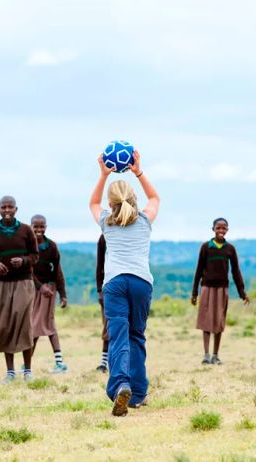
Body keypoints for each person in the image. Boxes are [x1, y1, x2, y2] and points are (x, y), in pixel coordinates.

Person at [89, 150, 160, 416]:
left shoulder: (106, 221)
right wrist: (138, 171)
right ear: (133, 199)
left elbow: (93, 203)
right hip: (141, 283)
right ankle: (138, 394)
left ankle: (121, 384)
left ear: (112, 201)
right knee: (136, 337)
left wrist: (103, 174)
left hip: (115, 284)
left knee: (118, 337)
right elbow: (155, 197)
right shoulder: (144, 220)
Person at [0, 196, 39, 382]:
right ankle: (10, 372)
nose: (7, 210)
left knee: (23, 323)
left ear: (16, 209)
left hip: (23, 283)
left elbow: (35, 255)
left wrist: (24, 261)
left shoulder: (26, 231)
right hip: (1, 285)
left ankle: (27, 370)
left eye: (10, 207)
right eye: (3, 207)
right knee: (4, 325)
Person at [191, 218, 250, 365]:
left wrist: (242, 292)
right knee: (205, 321)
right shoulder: (206, 247)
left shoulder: (230, 249)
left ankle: (215, 356)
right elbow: (198, 271)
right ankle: (206, 355)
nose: (221, 231)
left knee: (218, 322)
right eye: (218, 228)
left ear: (227, 230)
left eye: (224, 228)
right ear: (213, 229)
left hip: (222, 289)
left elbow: (236, 272)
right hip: (206, 288)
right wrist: (194, 293)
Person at [30, 214, 69, 373]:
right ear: (30, 226)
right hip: (33, 290)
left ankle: (59, 363)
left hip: (48, 291)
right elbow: (28, 271)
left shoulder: (51, 246)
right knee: (37, 325)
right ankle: (28, 364)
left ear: (46, 227)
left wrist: (62, 294)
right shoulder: (27, 246)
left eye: (42, 226)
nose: (39, 230)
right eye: (36, 226)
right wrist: (39, 286)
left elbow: (58, 271)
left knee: (43, 324)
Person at [95, 234, 109, 373]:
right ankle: (104, 362)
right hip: (108, 287)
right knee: (108, 324)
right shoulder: (104, 236)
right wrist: (100, 290)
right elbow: (99, 265)